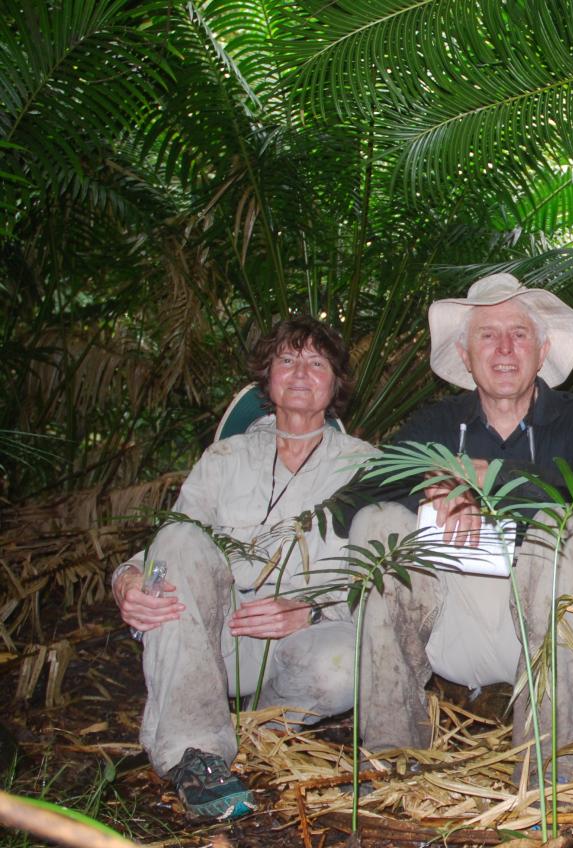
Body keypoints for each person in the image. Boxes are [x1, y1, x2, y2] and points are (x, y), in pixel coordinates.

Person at [346, 273, 573, 784]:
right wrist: (437, 484)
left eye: (519, 334)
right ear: (465, 351)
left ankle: (556, 773)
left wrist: (501, 486)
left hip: (552, 625)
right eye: (488, 335)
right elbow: (358, 494)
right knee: (377, 521)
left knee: (563, 527)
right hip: (451, 621)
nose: (504, 349)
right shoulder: (438, 424)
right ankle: (392, 759)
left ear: (541, 351)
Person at [112, 317, 378, 820]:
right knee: (181, 539)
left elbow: (385, 570)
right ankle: (197, 753)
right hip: (216, 638)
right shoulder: (225, 458)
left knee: (351, 660)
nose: (301, 372)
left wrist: (313, 610)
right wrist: (127, 579)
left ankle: (262, 727)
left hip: (298, 642)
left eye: (316, 362)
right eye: (287, 360)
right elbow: (173, 540)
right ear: (268, 379)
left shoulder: (365, 466)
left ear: (335, 383)